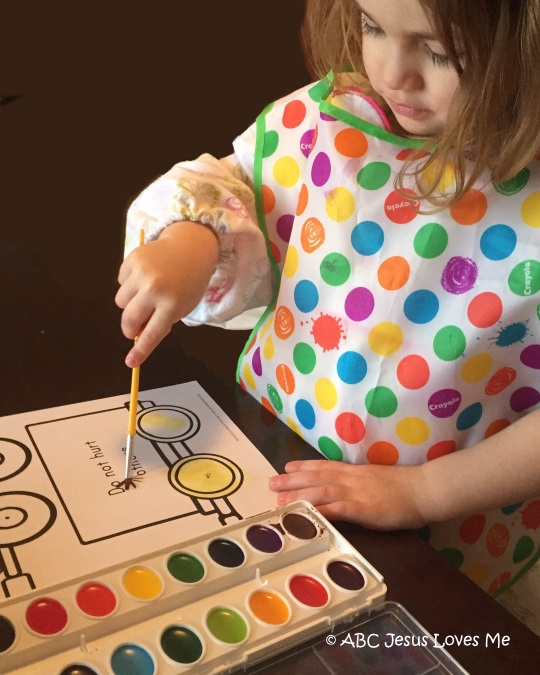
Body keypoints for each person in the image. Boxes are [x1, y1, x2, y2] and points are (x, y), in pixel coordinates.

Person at [116, 0, 540, 597]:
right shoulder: (327, 123)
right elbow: (227, 185)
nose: (393, 73)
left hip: (451, 522)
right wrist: (193, 238)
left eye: (443, 52)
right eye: (373, 26)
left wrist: (425, 493)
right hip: (275, 454)